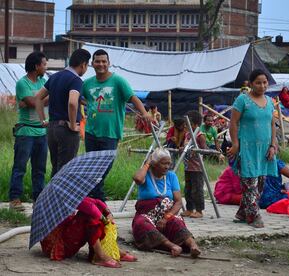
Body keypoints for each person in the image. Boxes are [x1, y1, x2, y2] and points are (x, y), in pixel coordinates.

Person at [82, 49, 151, 201]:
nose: (101, 64)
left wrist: (145, 113)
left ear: (109, 63)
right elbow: (81, 98)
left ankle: (96, 198)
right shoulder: (87, 84)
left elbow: (133, 98)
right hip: (91, 132)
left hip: (111, 133)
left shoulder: (118, 81)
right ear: (92, 64)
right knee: (92, 168)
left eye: (103, 61)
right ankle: (96, 200)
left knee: (104, 168)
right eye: (97, 61)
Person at [227, 69, 278, 228]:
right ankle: (254, 216)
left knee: (261, 184)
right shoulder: (243, 100)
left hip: (264, 150)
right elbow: (233, 123)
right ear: (250, 84)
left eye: (264, 82)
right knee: (250, 184)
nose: (262, 86)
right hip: (247, 149)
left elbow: (272, 125)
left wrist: (273, 145)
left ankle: (242, 212)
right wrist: (235, 144)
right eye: (258, 82)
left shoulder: (270, 102)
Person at [132, 148, 201, 258]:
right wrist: (147, 163)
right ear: (154, 164)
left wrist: (166, 217)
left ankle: (193, 245)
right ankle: (171, 246)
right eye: (164, 163)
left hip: (166, 214)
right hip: (147, 215)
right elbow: (138, 179)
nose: (167, 166)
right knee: (141, 224)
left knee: (177, 222)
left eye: (169, 163)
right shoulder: (146, 175)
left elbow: (178, 202)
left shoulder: (171, 176)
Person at [35, 48, 91, 177]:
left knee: (56, 168)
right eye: (87, 65)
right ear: (83, 64)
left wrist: (43, 120)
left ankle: (53, 197)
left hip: (52, 128)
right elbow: (72, 102)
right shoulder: (76, 80)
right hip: (66, 129)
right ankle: (62, 198)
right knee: (66, 170)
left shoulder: (54, 77)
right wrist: (72, 124)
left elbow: (38, 97)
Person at [40, 197, 136, 268]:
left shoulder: (71, 193)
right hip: (58, 243)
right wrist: (105, 220)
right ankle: (100, 255)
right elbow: (89, 207)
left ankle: (109, 251)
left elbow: (96, 202)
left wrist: (108, 213)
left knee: (93, 214)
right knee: (88, 217)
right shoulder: (64, 196)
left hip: (66, 233)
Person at [9, 52, 48, 211]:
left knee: (39, 169)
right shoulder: (22, 83)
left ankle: (38, 200)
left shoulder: (43, 82)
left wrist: (39, 101)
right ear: (36, 66)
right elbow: (32, 103)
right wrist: (41, 100)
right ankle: (14, 199)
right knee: (20, 167)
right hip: (25, 132)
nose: (46, 67)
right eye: (44, 64)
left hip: (41, 133)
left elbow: (37, 101)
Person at [181, 111, 208, 218]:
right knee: (188, 189)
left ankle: (199, 210)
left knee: (197, 189)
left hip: (197, 167)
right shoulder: (187, 135)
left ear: (195, 124)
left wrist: (196, 150)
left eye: (188, 124)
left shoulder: (200, 136)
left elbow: (204, 149)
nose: (186, 126)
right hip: (188, 166)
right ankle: (189, 208)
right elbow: (185, 147)